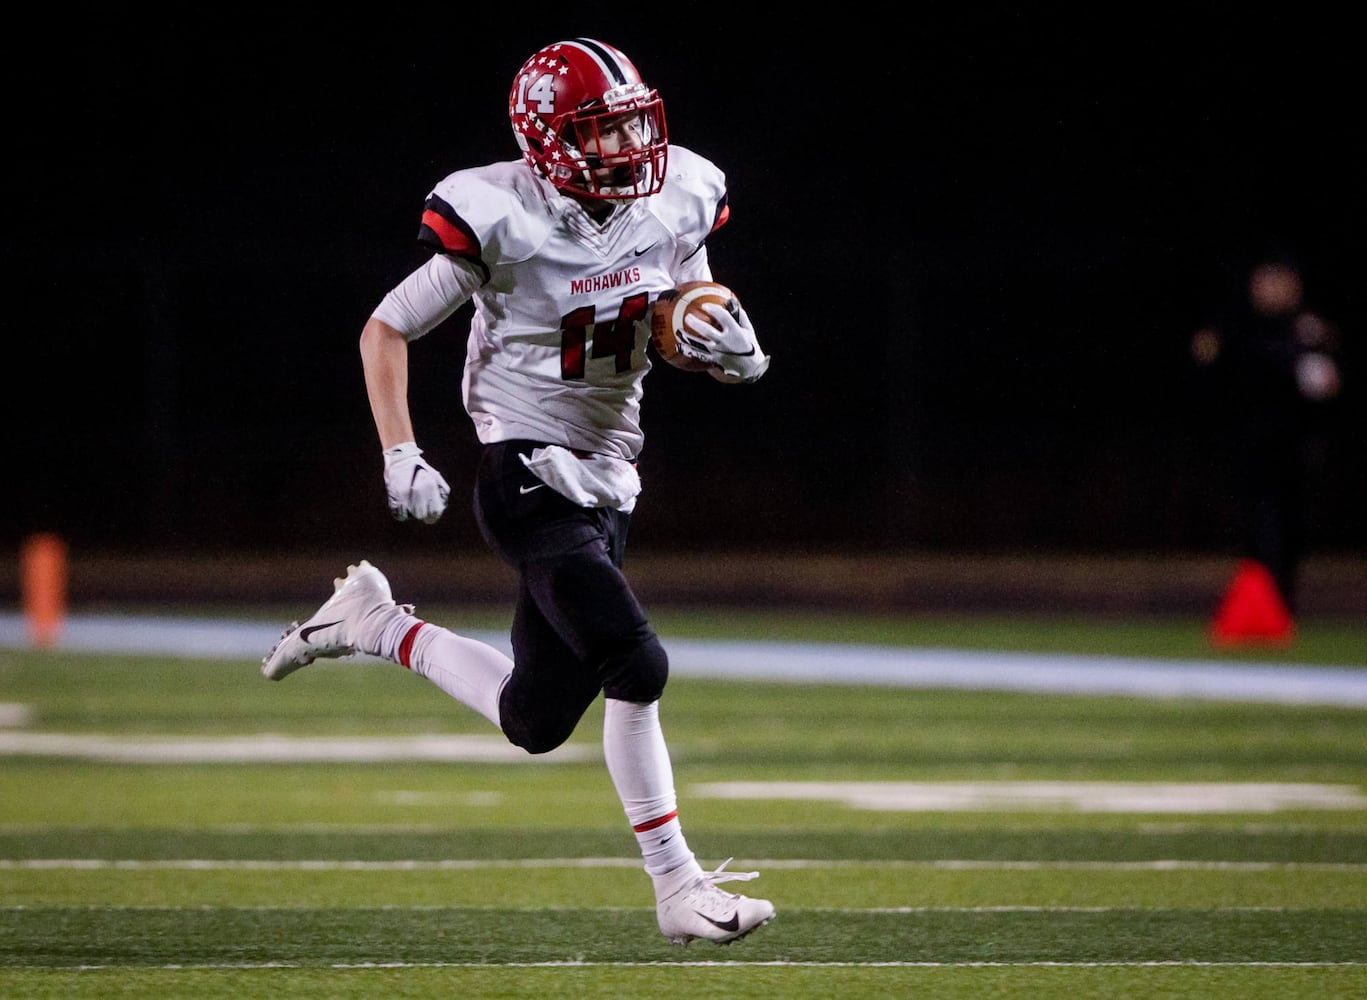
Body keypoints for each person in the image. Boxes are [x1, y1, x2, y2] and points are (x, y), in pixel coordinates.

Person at [261, 37, 774, 946]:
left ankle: (374, 624)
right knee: (637, 662)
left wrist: (723, 348)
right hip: (524, 468)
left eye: (629, 124)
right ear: (549, 140)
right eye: (604, 130)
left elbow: (674, 316)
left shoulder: (680, 193)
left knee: (534, 719)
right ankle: (677, 886)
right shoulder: (499, 212)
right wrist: (400, 451)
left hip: (610, 474)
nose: (627, 145)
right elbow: (385, 329)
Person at [1189, 246, 1344, 615]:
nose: (1273, 289)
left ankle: (1280, 604)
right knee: (1259, 525)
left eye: (1281, 281)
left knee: (1293, 527)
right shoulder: (1234, 327)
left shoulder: (1310, 330)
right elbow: (1209, 382)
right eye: (1266, 280)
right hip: (1249, 445)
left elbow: (1328, 388)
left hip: (1296, 446)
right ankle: (1261, 603)